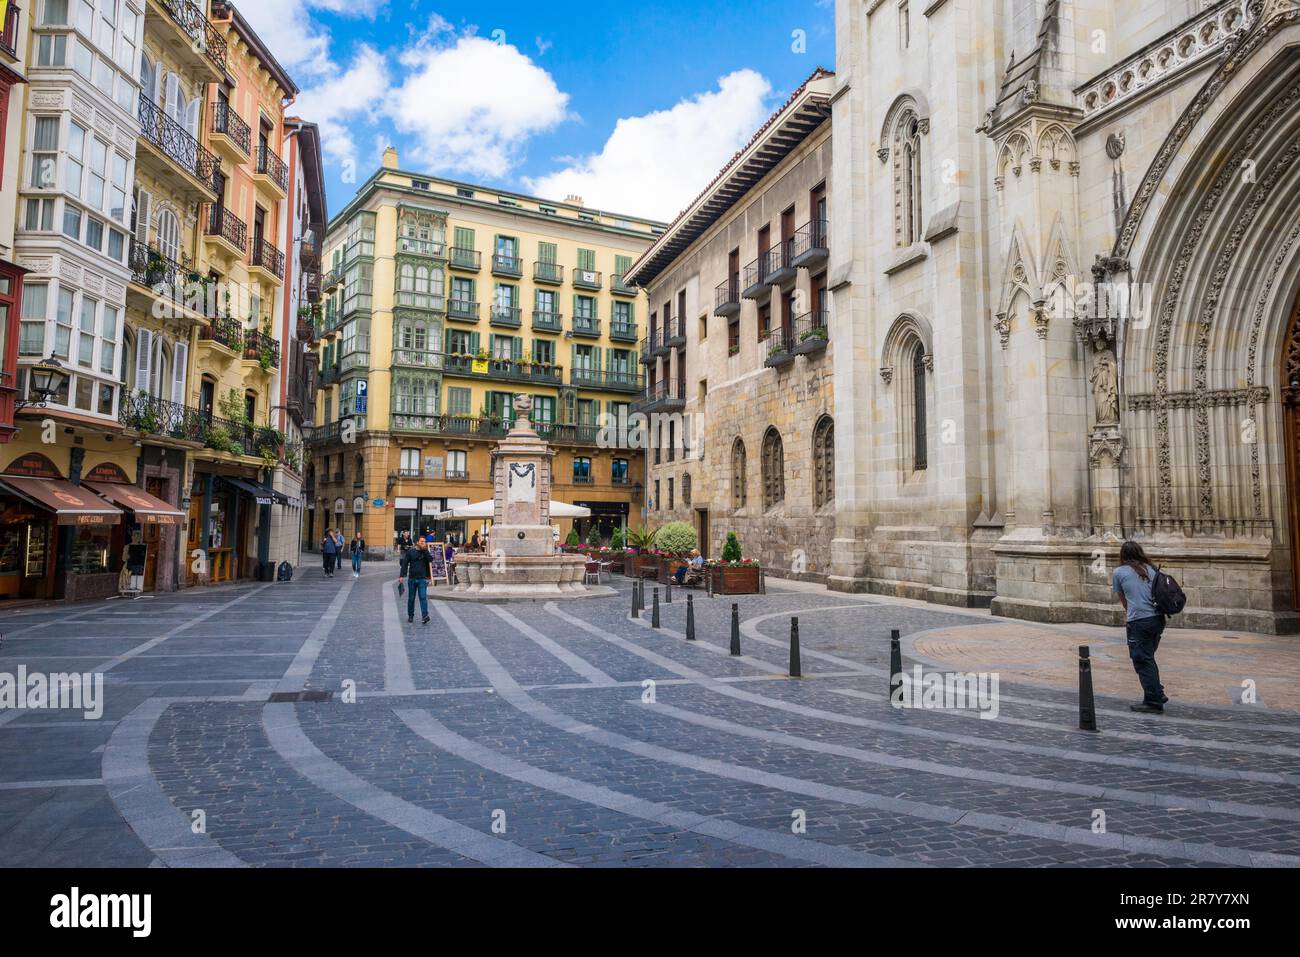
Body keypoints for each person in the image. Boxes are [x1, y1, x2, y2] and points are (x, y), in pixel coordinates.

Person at [1112, 541, 1169, 714]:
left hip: (1139, 621)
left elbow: (1124, 601)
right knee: (1146, 657)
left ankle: (1153, 701)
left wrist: (1133, 615)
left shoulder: (1119, 572)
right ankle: (1156, 692)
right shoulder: (1152, 569)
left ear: (1122, 555)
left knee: (1142, 659)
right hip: (1158, 619)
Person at [399, 537, 434, 624]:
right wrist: (401, 576)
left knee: (423, 597)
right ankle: (410, 616)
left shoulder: (425, 551)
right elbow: (405, 563)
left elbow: (430, 559)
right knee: (411, 598)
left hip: (422, 579)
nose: (423, 543)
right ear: (417, 542)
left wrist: (425, 550)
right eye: (422, 541)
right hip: (412, 579)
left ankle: (425, 616)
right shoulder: (411, 552)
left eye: (424, 542)